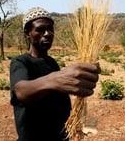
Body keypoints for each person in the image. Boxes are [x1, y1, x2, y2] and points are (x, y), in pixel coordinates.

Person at [10, 7, 101, 141]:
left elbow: (59, 97)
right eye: (40, 29)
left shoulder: (52, 62)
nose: (47, 33)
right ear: (27, 33)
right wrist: (55, 79)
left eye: (50, 29)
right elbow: (20, 91)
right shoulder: (21, 62)